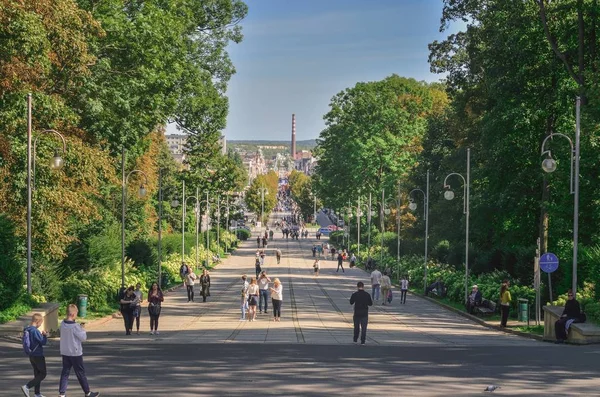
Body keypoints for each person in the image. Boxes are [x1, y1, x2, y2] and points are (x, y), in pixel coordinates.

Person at [58, 304, 100, 397]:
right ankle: (87, 392)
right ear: (73, 314)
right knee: (80, 372)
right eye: (76, 313)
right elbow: (83, 338)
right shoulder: (76, 326)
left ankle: (62, 393)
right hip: (75, 352)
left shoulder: (62, 324)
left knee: (65, 372)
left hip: (65, 351)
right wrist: (82, 329)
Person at [21, 313, 48, 397]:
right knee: (43, 374)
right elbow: (43, 342)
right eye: (41, 323)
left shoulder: (27, 329)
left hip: (31, 355)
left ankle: (37, 393)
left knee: (37, 374)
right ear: (37, 321)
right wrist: (45, 335)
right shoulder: (35, 331)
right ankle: (27, 386)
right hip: (38, 355)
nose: (40, 325)